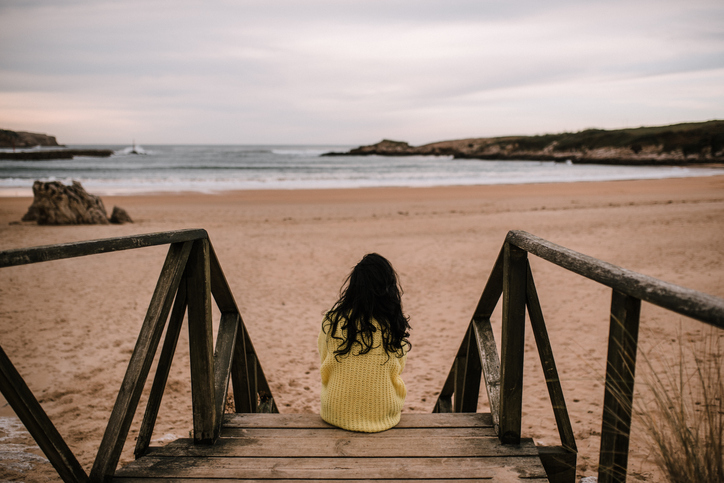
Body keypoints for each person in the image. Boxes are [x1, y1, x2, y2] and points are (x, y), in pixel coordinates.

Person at [318, 253, 411, 432]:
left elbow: (324, 362)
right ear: (389, 288)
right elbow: (398, 367)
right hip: (383, 413)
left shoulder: (332, 320)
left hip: (335, 411)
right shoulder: (392, 324)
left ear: (353, 286)